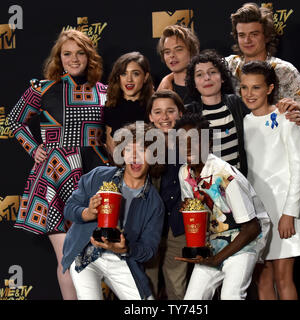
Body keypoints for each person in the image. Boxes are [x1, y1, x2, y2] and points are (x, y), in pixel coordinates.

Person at [8, 29, 107, 300]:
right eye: (67, 54)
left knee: (99, 259)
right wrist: (34, 148)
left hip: (95, 179)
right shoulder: (42, 88)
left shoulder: (104, 91)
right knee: (69, 258)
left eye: (80, 53)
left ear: (89, 56)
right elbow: (13, 121)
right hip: (55, 179)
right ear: (59, 58)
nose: (74, 59)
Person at [61, 122, 165, 300]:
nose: (135, 157)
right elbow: (70, 209)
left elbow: (149, 250)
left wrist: (125, 248)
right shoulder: (98, 175)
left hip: (122, 259)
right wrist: (88, 213)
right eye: (129, 150)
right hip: (85, 253)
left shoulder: (154, 203)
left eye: (142, 150)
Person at [174, 112, 270, 300]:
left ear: (208, 143)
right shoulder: (184, 172)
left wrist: (217, 259)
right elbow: (197, 214)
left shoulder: (225, 175)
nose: (187, 147)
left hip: (244, 241)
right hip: (213, 243)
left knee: (231, 295)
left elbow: (251, 227)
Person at [240, 60, 300, 299]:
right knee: (263, 280)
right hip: (257, 212)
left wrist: (289, 213)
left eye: (256, 87)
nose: (249, 94)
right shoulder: (244, 122)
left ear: (270, 88)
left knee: (283, 277)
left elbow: (298, 168)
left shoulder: (287, 118)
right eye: (244, 88)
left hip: (284, 209)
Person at [227, 2, 300, 123]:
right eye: (241, 35)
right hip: (236, 140)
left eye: (254, 34)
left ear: (266, 36)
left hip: (272, 138)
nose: (247, 40)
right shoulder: (228, 65)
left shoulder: (283, 70)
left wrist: (297, 107)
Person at [145, 90, 188, 299]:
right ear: (150, 117)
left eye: (170, 111)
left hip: (178, 225)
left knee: (176, 285)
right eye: (158, 112)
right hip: (149, 226)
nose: (165, 117)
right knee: (147, 284)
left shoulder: (191, 146)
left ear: (180, 113)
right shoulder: (143, 147)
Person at [184, 49, 250, 177]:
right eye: (199, 75)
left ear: (223, 77)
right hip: (207, 185)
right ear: (194, 83)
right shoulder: (189, 113)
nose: (207, 78)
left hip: (238, 181)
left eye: (212, 72)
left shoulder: (235, 103)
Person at [103, 51, 154, 156]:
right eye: (124, 73)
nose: (129, 79)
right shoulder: (110, 108)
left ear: (145, 77)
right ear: (118, 77)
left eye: (135, 73)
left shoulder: (154, 107)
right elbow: (110, 145)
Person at [156, 24, 200, 104]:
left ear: (192, 52)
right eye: (167, 52)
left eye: (178, 50)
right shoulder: (162, 91)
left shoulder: (206, 87)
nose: (172, 55)